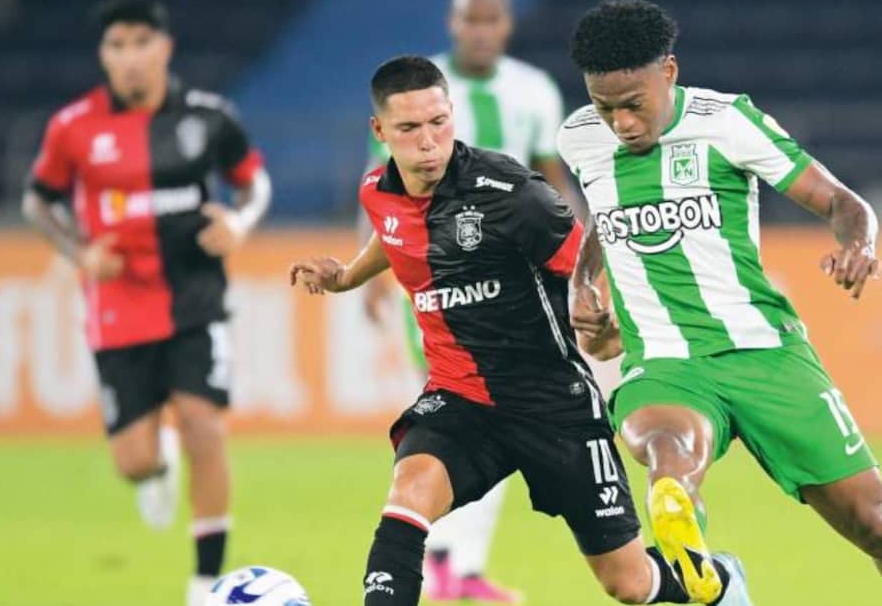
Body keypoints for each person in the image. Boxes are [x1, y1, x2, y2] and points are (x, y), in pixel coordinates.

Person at [292, 55, 751, 606]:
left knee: (628, 583)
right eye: (409, 128)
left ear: (452, 114)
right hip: (460, 399)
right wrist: (346, 277)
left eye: (438, 122)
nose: (428, 142)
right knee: (408, 495)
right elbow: (393, 235)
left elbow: (593, 260)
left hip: (552, 404)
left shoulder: (509, 192)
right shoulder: (377, 190)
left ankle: (721, 582)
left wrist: (611, 322)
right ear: (380, 130)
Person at [558, 0, 881, 604]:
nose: (621, 123)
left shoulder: (729, 122)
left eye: (634, 105)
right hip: (665, 361)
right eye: (605, 107)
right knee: (666, 449)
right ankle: (683, 528)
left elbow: (842, 201)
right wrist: (582, 282)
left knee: (874, 523)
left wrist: (859, 244)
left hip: (765, 353)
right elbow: (605, 209)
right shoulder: (579, 137)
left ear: (669, 72)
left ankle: (710, 567)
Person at [21, 0, 270, 605]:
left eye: (140, 43)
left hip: (195, 294)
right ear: (104, 55)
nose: (129, 57)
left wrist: (239, 225)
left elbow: (253, 183)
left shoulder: (210, 117)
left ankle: (205, 582)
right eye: (117, 45)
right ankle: (157, 462)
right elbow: (37, 201)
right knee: (133, 460)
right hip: (118, 302)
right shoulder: (74, 126)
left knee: (204, 423)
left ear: (165, 47)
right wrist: (80, 253)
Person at [361, 0, 574, 600]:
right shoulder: (414, 93)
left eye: (491, 19)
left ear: (505, 25)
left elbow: (554, 189)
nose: (480, 31)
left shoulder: (533, 91)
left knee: (495, 416)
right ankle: (449, 563)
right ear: (452, 23)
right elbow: (382, 189)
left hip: (517, 290)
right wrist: (368, 275)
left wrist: (580, 269)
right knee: (470, 410)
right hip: (438, 285)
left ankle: (457, 566)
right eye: (470, 19)